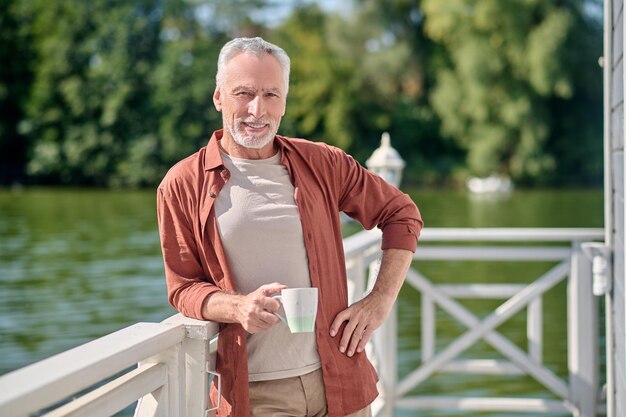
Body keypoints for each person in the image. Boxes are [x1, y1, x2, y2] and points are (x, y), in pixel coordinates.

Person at [157, 36, 423, 417]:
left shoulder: (324, 163)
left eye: (271, 95)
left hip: (341, 381)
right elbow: (183, 288)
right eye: (244, 93)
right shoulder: (182, 184)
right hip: (255, 395)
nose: (256, 109)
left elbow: (402, 215)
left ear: (284, 99)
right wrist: (237, 307)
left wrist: (378, 302)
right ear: (218, 97)